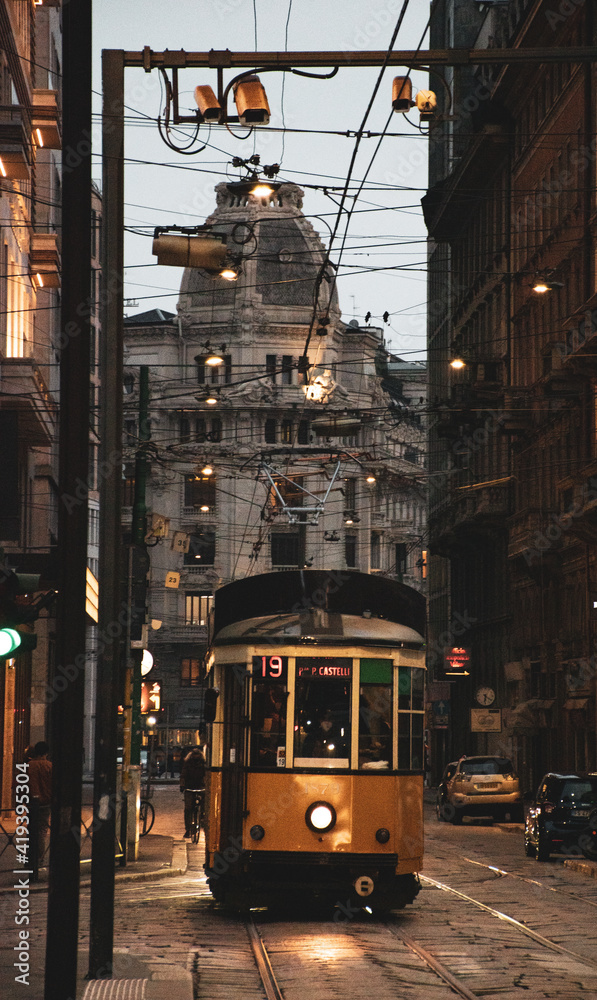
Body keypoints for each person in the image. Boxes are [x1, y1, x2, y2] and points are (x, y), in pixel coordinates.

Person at [28, 741, 52, 875]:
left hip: (31, 803)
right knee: (42, 832)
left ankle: (30, 859)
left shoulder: (28, 766)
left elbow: (18, 784)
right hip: (45, 803)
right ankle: (39, 860)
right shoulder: (49, 766)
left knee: (31, 830)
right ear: (46, 753)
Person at [179, 746, 206, 838]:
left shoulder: (203, 764)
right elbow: (183, 775)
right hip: (190, 788)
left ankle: (202, 817)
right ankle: (188, 829)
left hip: (198, 787)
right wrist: (182, 785)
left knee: (202, 804)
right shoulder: (188, 764)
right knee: (188, 808)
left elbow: (205, 776)